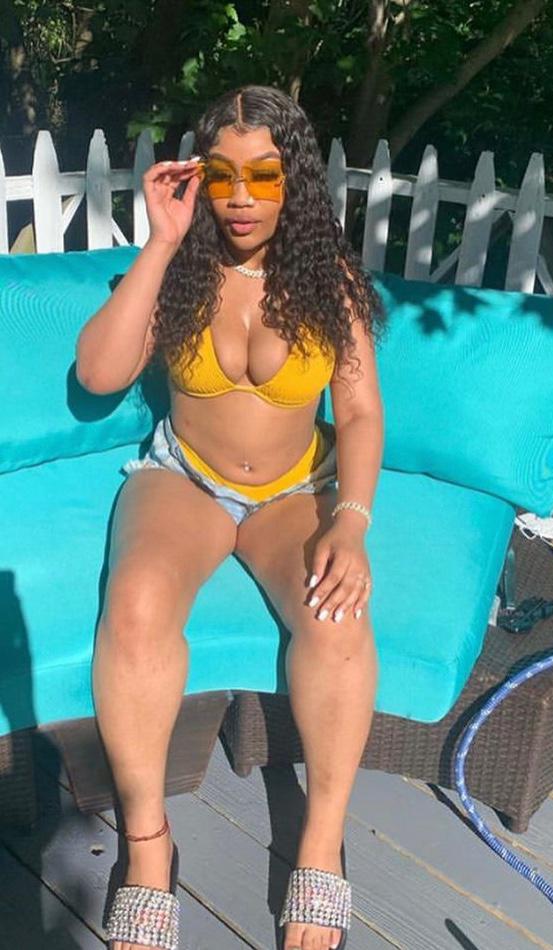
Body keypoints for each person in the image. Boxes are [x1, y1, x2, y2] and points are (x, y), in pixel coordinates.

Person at [76, 83, 387, 950]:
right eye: (222, 175)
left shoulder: (327, 280)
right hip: (187, 480)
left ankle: (320, 845)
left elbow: (361, 413)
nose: (241, 197)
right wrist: (160, 241)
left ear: (295, 181)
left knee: (337, 618)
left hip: (294, 489)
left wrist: (351, 520)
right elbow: (98, 375)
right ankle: (148, 846)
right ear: (200, 178)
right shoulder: (181, 267)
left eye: (264, 175)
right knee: (135, 606)